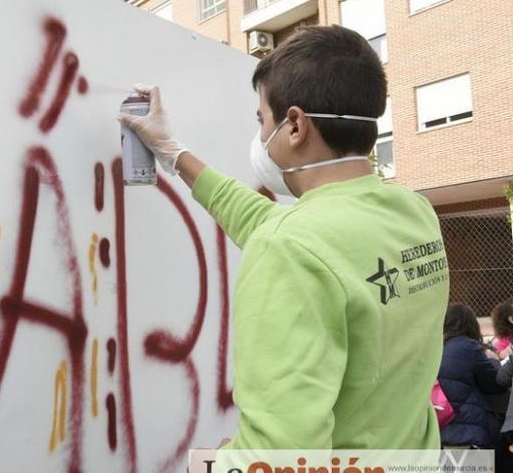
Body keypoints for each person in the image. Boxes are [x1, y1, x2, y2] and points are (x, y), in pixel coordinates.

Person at [118, 25, 450, 449]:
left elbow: (282, 455)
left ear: (294, 125)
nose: (260, 137)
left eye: (263, 120)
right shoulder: (412, 211)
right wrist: (172, 152)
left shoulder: (291, 247)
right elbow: (268, 221)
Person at [438, 303, 505, 449]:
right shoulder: (469, 346)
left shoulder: (435, 347)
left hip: (437, 432)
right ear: (471, 324)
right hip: (470, 432)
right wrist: (493, 359)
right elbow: (496, 384)